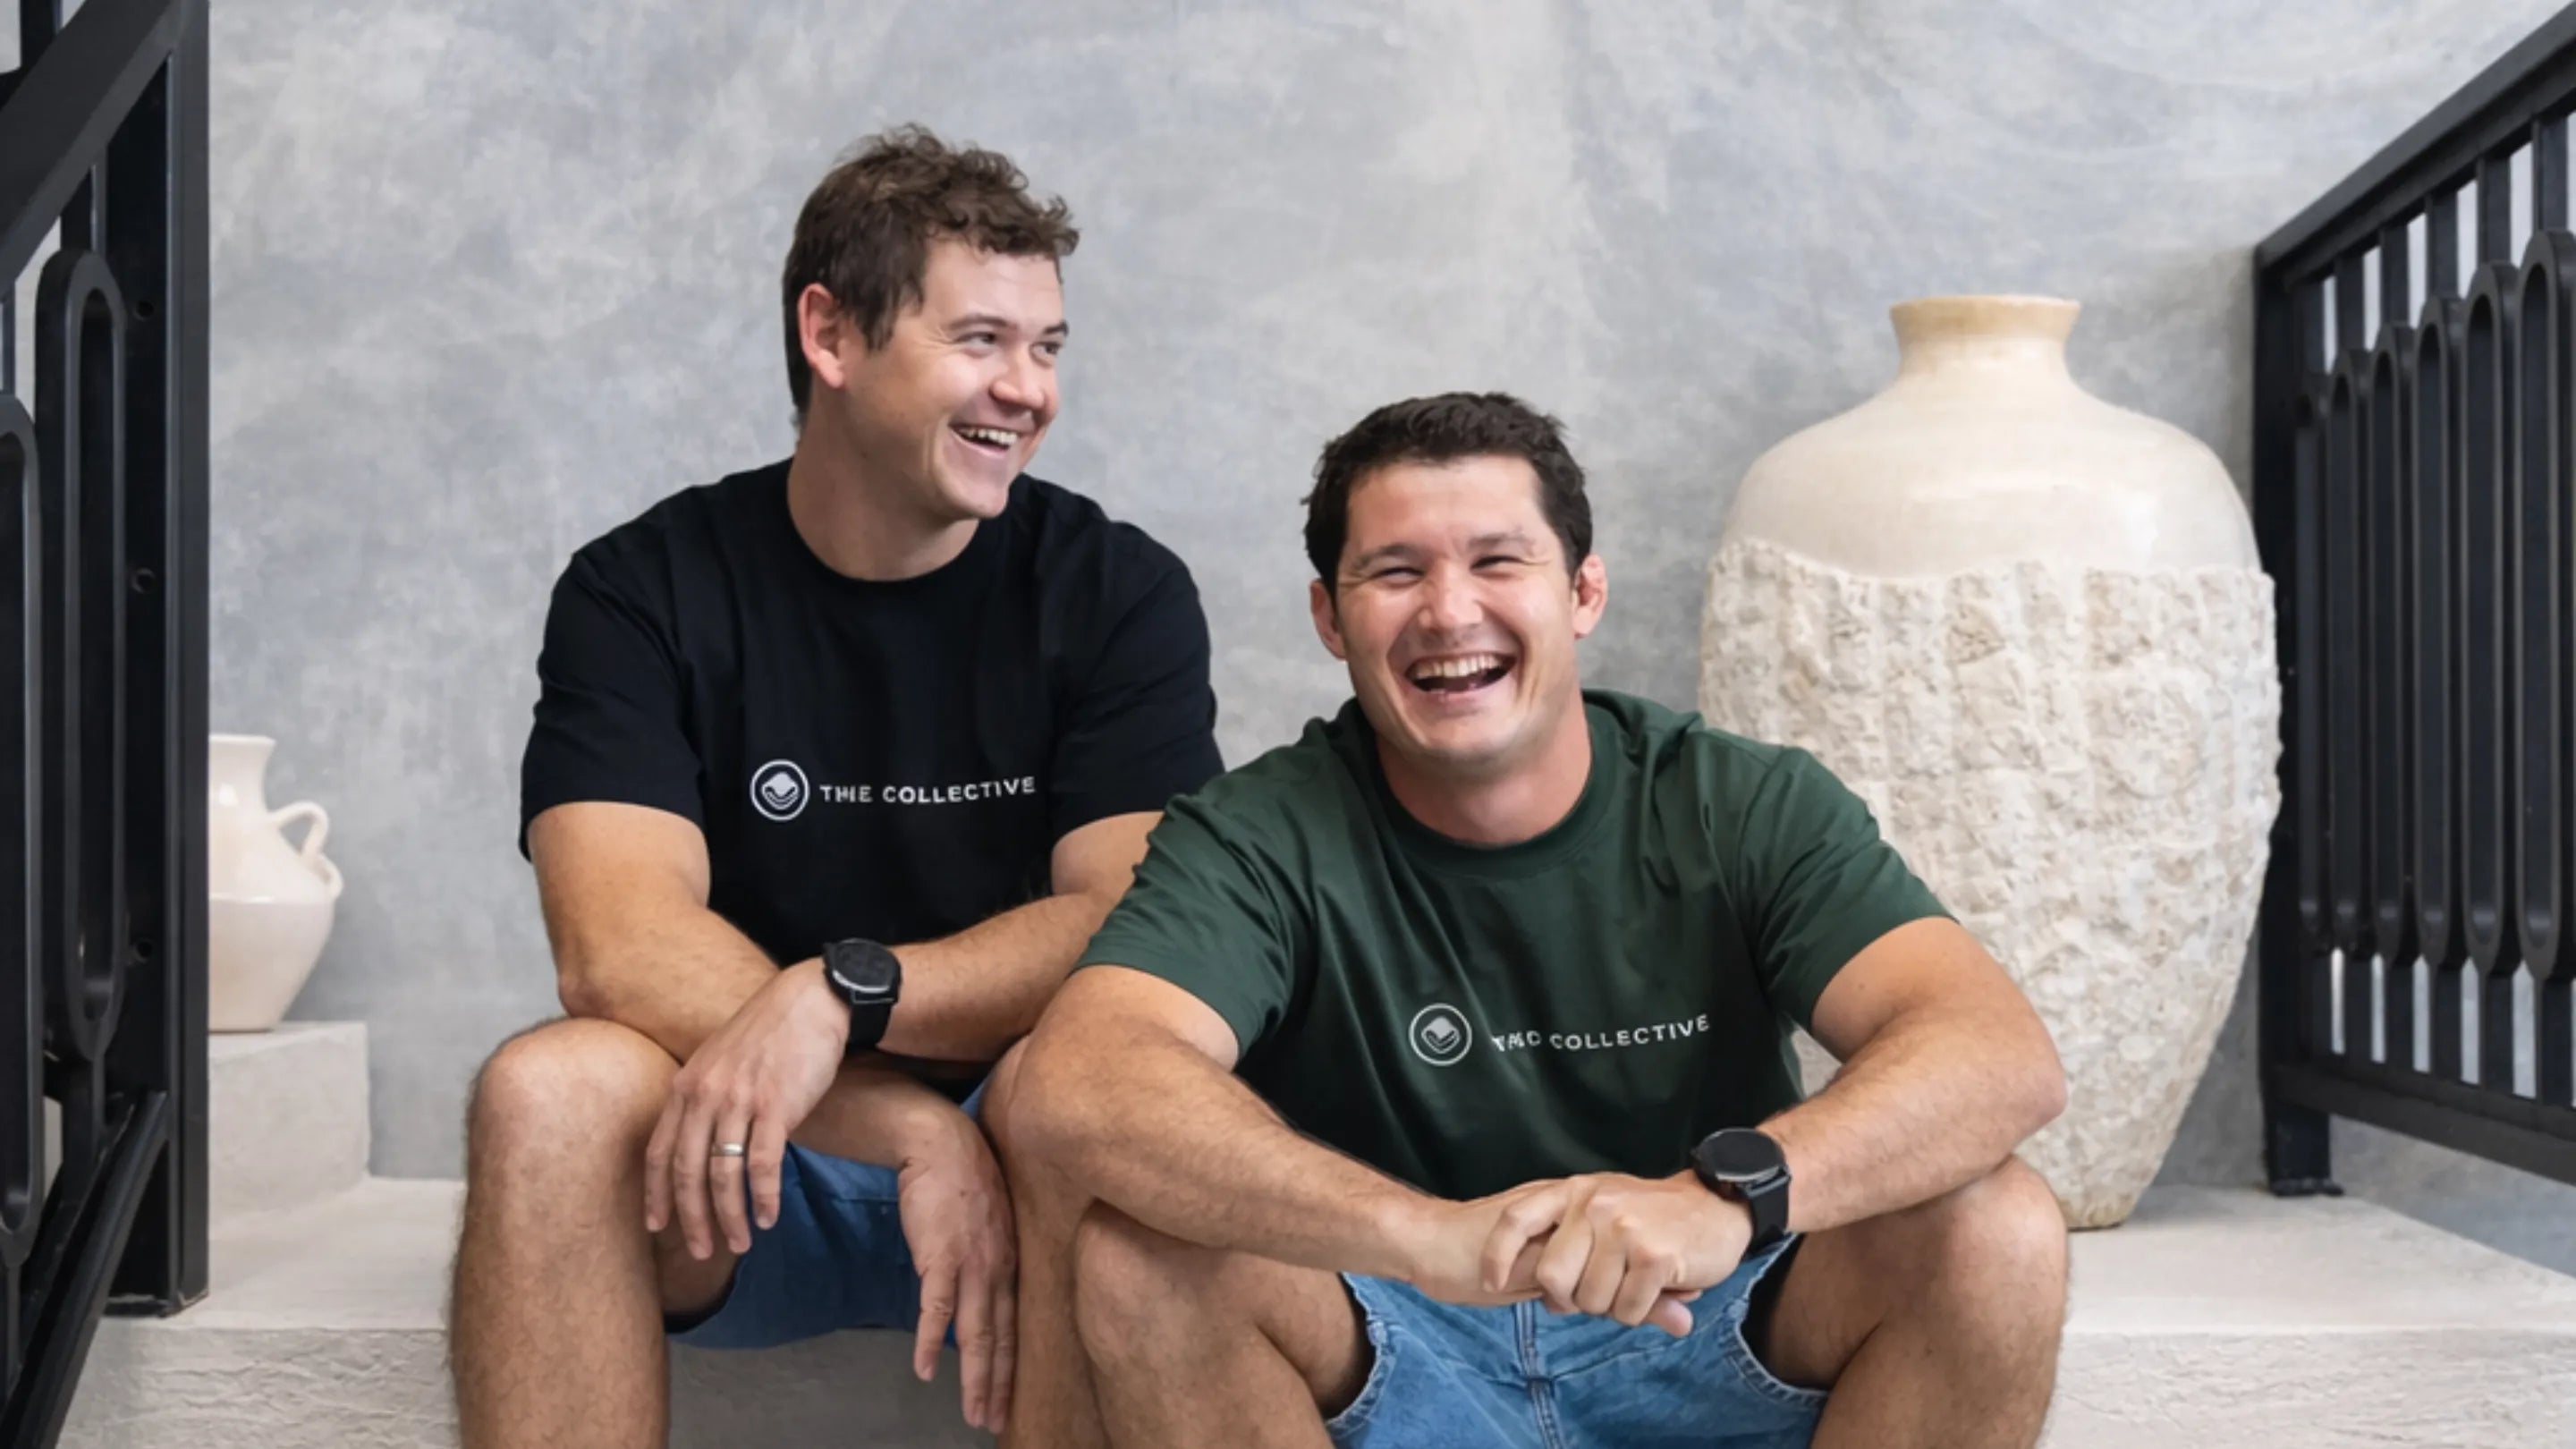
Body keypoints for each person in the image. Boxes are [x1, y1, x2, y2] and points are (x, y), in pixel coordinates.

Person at [990, 392, 2071, 1448]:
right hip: (1396, 1342)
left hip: (1713, 1325)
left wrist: (1729, 1198)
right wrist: (1420, 1235)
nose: (1450, 611)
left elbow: (1995, 1053)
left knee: (1997, 1230)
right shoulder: (1257, 835)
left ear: (1583, 591)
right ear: (1330, 617)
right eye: (1396, 570)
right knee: (1146, 1260)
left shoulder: (1740, 800)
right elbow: (1086, 1078)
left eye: (1499, 562)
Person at [448, 125, 1222, 1447]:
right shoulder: (644, 589)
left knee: (1093, 1083)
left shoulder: (1116, 591)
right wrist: (909, 1130)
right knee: (550, 1087)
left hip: (1036, 1154)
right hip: (752, 1149)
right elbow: (616, 948)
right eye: (981, 340)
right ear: (832, 335)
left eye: (1047, 349)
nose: (1026, 389)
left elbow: (1129, 921)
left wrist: (844, 994)